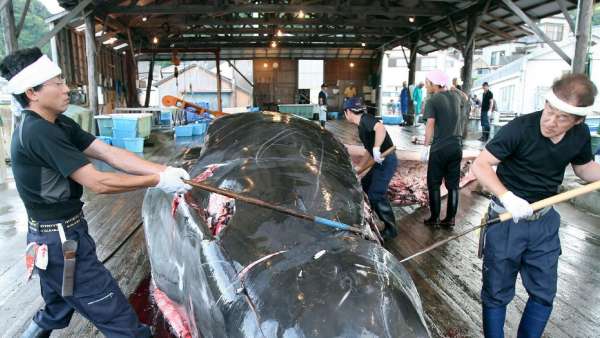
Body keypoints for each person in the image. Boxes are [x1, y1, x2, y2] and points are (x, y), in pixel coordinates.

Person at [1, 48, 191, 338]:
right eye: (58, 84)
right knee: (123, 325)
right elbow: (97, 182)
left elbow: (107, 152)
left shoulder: (57, 122)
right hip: (61, 243)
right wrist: (156, 181)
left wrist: (163, 170)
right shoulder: (39, 132)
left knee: (57, 309)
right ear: (32, 92)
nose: (68, 90)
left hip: (54, 237)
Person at [471, 73, 600, 338]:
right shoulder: (520, 128)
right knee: (496, 292)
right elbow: (481, 165)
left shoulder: (580, 135)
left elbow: (584, 168)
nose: (550, 121)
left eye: (561, 118)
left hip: (544, 222)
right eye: (549, 110)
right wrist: (507, 196)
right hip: (507, 219)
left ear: (578, 121)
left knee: (543, 294)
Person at [343, 97, 398, 240]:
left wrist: (377, 148)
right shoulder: (362, 126)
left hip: (387, 160)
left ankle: (391, 229)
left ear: (348, 112)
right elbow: (368, 150)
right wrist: (360, 166)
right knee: (364, 186)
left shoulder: (366, 120)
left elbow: (380, 128)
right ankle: (366, 219)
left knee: (376, 194)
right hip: (379, 161)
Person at [421, 70, 467, 227]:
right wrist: (453, 87)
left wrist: (425, 147)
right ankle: (450, 219)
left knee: (434, 184)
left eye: (428, 82)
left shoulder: (433, 100)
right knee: (453, 185)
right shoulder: (456, 96)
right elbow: (466, 97)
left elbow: (430, 125)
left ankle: (434, 219)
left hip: (439, 148)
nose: (426, 85)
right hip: (456, 147)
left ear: (434, 84)